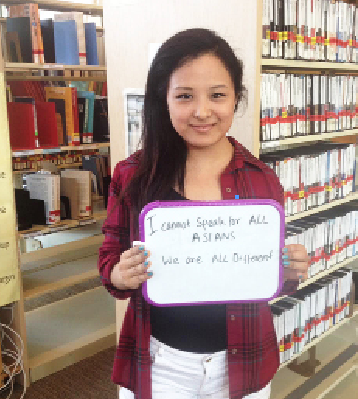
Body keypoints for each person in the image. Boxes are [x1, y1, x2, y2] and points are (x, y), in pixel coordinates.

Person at [98, 28, 309, 399]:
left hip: (242, 362)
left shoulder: (262, 181)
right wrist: (121, 273)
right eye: (184, 96)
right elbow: (109, 260)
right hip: (160, 363)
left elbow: (265, 279)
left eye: (217, 95)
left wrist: (289, 272)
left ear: (236, 98)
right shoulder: (132, 176)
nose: (201, 111)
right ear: (163, 99)